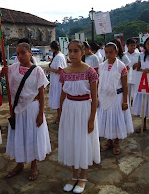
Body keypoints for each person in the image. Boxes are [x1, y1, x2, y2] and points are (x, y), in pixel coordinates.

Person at [2, 43, 51, 180]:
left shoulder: (37, 71)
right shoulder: (12, 68)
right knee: (20, 136)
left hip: (32, 108)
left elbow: (41, 95)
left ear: (30, 53)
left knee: (32, 136)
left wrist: (41, 113)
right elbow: (2, 75)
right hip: (18, 109)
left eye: (23, 52)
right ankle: (19, 164)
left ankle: (34, 166)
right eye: (17, 53)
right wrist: (2, 72)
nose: (20, 56)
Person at [58, 40, 100, 193]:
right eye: (70, 51)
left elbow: (95, 97)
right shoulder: (65, 71)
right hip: (70, 109)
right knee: (72, 141)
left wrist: (91, 119)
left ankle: (83, 177)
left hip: (84, 109)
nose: (72, 54)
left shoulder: (90, 71)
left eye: (76, 51)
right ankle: (74, 175)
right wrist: (62, 113)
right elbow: (63, 94)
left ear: (83, 52)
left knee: (83, 141)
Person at [98, 42, 134, 154]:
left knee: (116, 120)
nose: (108, 55)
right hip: (104, 97)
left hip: (117, 98)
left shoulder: (121, 66)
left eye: (111, 52)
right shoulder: (102, 66)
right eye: (107, 52)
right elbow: (100, 82)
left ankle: (117, 142)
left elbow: (124, 85)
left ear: (116, 52)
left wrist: (125, 101)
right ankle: (109, 141)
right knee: (107, 120)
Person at [45, 41, 67, 124]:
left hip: (58, 81)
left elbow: (61, 70)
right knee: (57, 99)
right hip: (56, 80)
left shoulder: (59, 57)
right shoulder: (58, 56)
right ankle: (59, 116)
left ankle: (60, 117)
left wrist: (49, 69)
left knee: (59, 99)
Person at [124, 38, 140, 107]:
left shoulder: (139, 55)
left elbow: (142, 64)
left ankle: (136, 108)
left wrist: (138, 64)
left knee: (136, 94)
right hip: (126, 77)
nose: (133, 47)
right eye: (131, 45)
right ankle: (128, 108)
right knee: (127, 94)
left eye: (134, 45)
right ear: (127, 46)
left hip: (135, 77)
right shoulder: (124, 55)